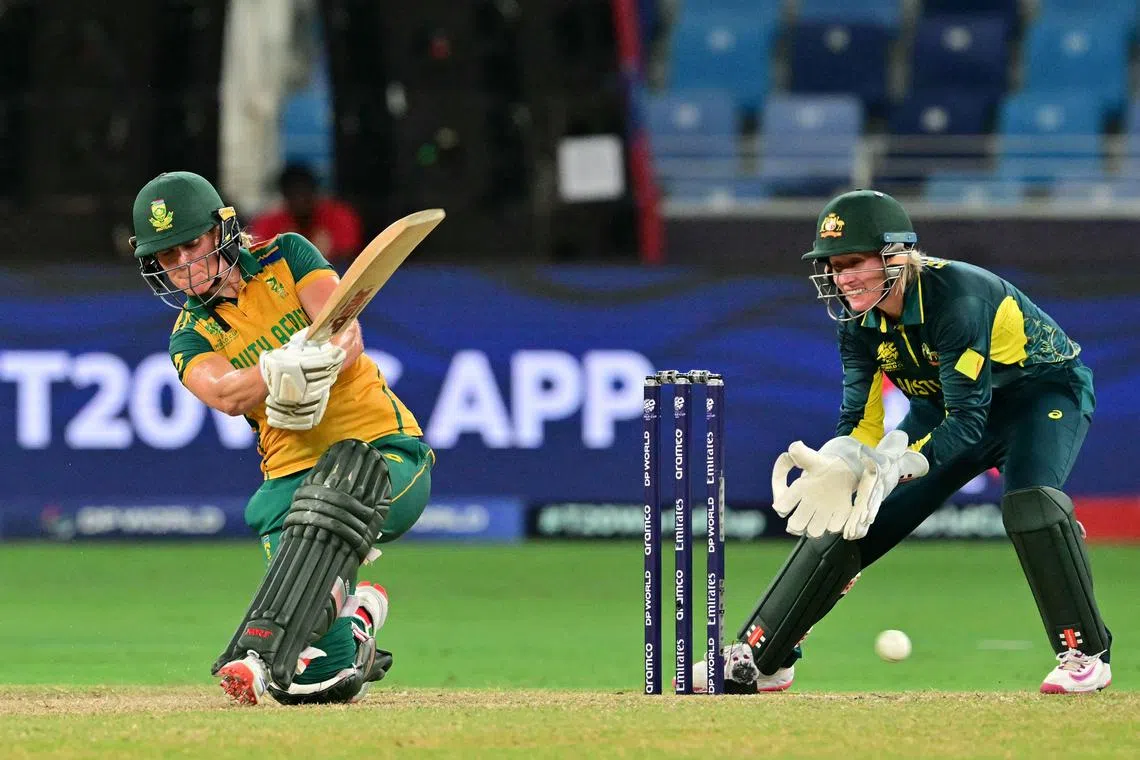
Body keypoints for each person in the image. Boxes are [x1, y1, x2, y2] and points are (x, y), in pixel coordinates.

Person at [695, 189, 1112, 695]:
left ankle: (1085, 655)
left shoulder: (958, 299)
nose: (842, 278)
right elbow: (860, 419)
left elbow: (968, 422)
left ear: (895, 257)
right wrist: (843, 462)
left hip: (1038, 397)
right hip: (943, 408)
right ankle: (761, 660)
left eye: (854, 262)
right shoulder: (856, 319)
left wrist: (898, 465)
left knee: (1032, 505)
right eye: (834, 266)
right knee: (846, 513)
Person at [129, 170, 434, 705]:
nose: (183, 264)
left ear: (221, 229)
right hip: (291, 483)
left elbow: (346, 331)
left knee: (339, 484)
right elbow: (225, 394)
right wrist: (278, 368)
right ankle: (354, 622)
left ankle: (263, 653)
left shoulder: (287, 255)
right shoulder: (189, 335)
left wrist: (319, 358)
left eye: (191, 245)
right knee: (317, 684)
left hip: (386, 456)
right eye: (167, 256)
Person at [250, 163, 363, 270]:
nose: (300, 200)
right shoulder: (269, 223)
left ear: (314, 191)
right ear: (285, 195)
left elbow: (351, 255)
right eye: (294, 194)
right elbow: (254, 259)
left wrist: (329, 253)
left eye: (304, 193)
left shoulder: (338, 215)